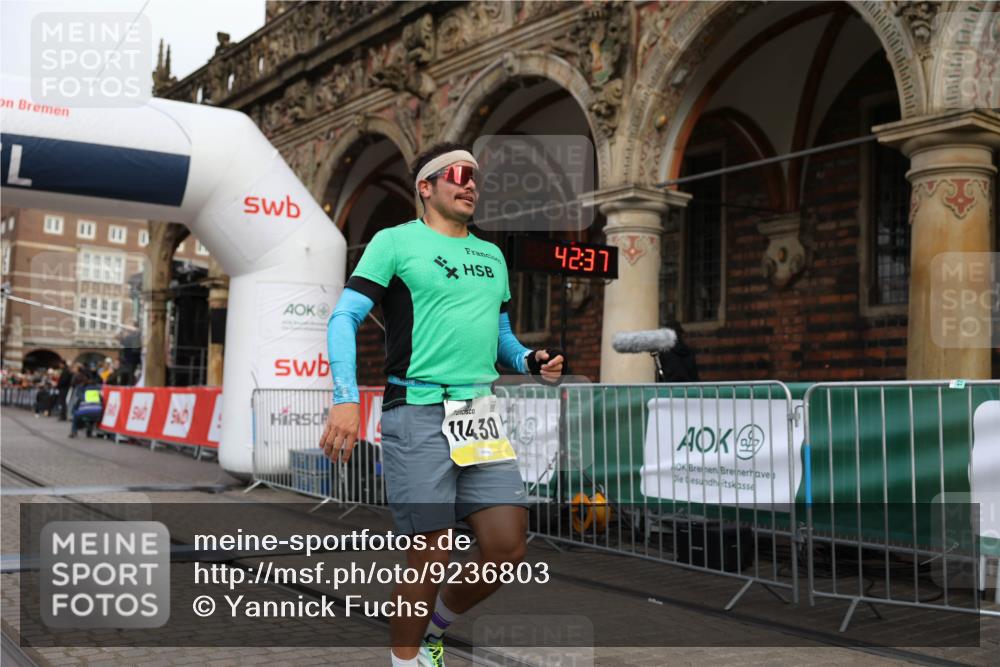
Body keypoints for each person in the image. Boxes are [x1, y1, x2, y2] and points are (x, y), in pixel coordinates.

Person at [320, 143, 565, 667]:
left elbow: (501, 337)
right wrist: (345, 399)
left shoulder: (491, 255)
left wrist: (529, 360)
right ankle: (407, 660)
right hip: (417, 411)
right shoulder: (394, 243)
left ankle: (435, 627)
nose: (469, 183)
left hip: (478, 416)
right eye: (456, 174)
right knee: (429, 555)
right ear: (425, 187)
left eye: (475, 176)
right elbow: (343, 318)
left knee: (506, 548)